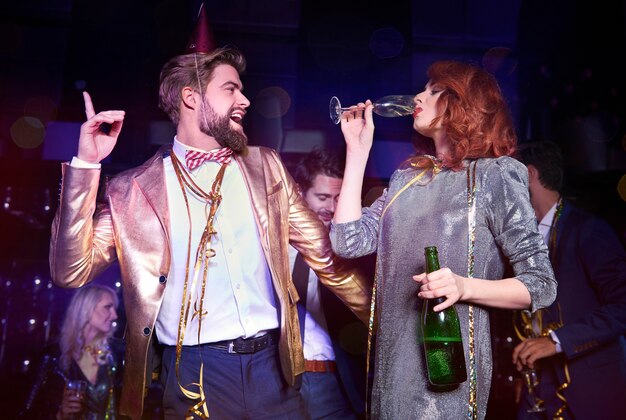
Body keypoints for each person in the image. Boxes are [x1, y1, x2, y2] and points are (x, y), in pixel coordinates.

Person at [48, 13, 371, 420]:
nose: (245, 100)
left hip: (276, 370)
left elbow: (329, 259)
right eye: (231, 89)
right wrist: (85, 166)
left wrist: (387, 318)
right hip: (194, 375)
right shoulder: (132, 191)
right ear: (190, 97)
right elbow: (69, 271)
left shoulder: (266, 167)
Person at [329, 60, 557, 419]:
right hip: (390, 374)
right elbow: (348, 242)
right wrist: (357, 154)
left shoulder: (495, 174)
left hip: (446, 377)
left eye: (434, 90)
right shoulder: (406, 175)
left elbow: (541, 285)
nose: (419, 95)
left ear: (463, 103)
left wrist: (463, 287)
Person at [512, 140, 626, 420]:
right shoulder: (518, 237)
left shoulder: (589, 230)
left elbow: (623, 307)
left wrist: (556, 341)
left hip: (588, 394)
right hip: (533, 390)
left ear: (528, 174)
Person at [291, 148, 368, 419]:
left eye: (338, 197)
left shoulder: (355, 252)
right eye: (322, 197)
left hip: (336, 382)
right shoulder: (273, 246)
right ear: (299, 193)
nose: (332, 207)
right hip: (280, 382)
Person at [21, 284, 124, 419]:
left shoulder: (116, 354)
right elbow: (28, 411)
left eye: (114, 309)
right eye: (108, 307)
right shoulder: (52, 356)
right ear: (87, 309)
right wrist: (60, 415)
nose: (114, 316)